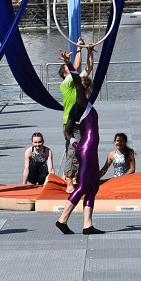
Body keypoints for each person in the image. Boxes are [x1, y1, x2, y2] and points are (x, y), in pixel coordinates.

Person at [55, 69, 103, 236]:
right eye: (88, 90)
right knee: (83, 186)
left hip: (89, 149)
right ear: (86, 90)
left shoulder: (77, 108)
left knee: (93, 186)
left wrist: (75, 144)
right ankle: (62, 220)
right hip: (87, 149)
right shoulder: (82, 103)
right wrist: (69, 63)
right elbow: (77, 82)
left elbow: (67, 132)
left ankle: (87, 225)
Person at [59, 40, 93, 193]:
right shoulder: (66, 83)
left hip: (81, 121)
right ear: (65, 74)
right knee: (72, 153)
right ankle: (69, 183)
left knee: (79, 152)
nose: (73, 69)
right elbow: (77, 67)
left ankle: (75, 177)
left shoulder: (76, 82)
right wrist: (79, 49)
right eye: (69, 68)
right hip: (70, 123)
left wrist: (90, 51)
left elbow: (88, 68)